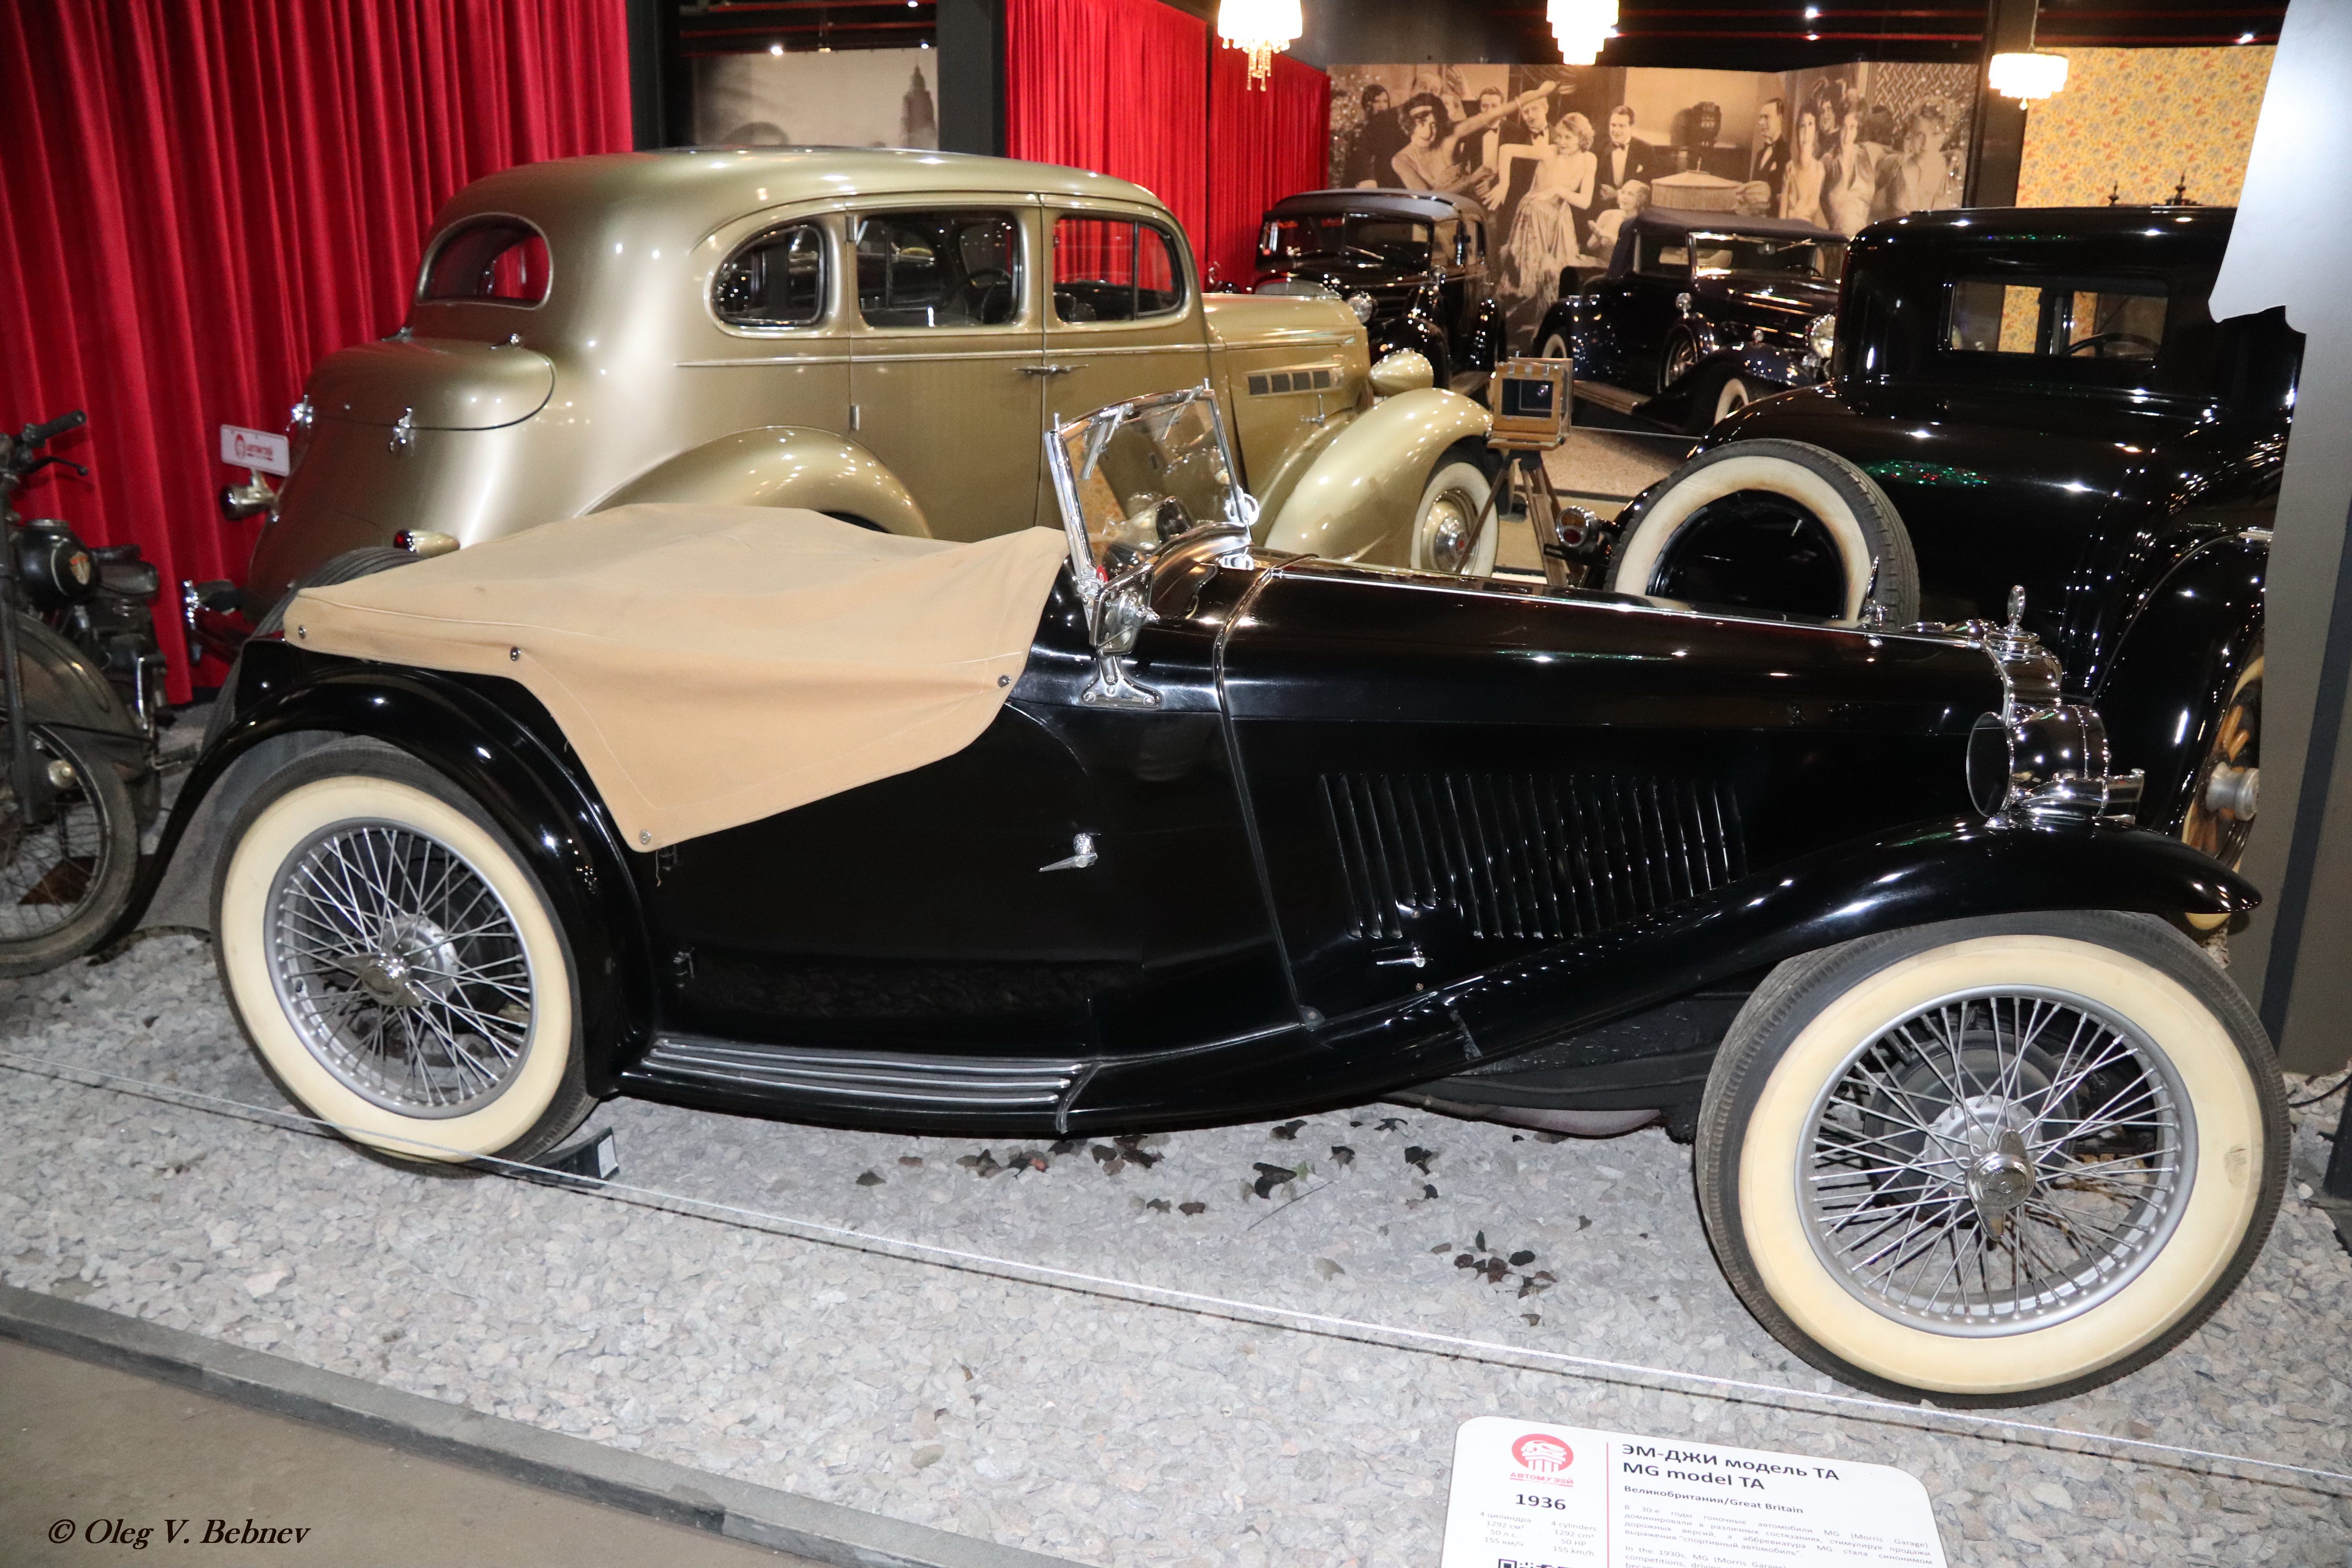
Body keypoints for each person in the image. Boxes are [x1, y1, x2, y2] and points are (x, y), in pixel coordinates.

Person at [1390, 82, 1559, 211]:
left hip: (1467, 209)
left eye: (1434, 125)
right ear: (1409, 125)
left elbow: (1496, 114)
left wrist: (1539, 93)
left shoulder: (1451, 134)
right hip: (1434, 217)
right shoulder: (1402, 160)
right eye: (1421, 124)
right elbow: (1427, 199)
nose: (1429, 132)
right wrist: (1471, 179)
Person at [1496, 112, 1597, 309]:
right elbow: (1506, 150)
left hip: (1560, 218)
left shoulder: (1589, 159)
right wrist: (1504, 183)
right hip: (1533, 215)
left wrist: (1558, 190)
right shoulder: (1550, 152)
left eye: (1568, 137)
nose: (1562, 142)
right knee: (1528, 276)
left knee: (1557, 277)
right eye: (1560, 136)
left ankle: (1549, 316)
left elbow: (1585, 202)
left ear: (1582, 138)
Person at [1873, 103, 1958, 221]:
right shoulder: (1894, 166)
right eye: (1920, 135)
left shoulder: (1955, 169)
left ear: (1945, 135)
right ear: (1911, 133)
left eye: (1935, 134)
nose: (1926, 143)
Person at [1822, 102, 1889, 235]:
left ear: (1858, 130)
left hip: (1864, 237)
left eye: (1852, 128)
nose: (1847, 134)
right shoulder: (1828, 161)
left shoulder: (1868, 152)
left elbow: (1898, 159)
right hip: (1836, 238)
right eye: (1844, 128)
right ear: (1838, 128)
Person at [1595, 106, 1659, 213]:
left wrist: (1618, 194)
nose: (1616, 130)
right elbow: (1594, 180)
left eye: (1622, 126)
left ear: (1631, 128)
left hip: (1634, 210)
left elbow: (1651, 184)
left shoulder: (1645, 149)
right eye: (1613, 125)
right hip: (1605, 207)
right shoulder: (1600, 148)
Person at [1346, 83, 1408, 189]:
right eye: (1377, 102)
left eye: (1385, 102)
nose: (1382, 106)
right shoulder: (1361, 130)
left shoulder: (1393, 129)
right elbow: (1360, 160)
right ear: (1368, 104)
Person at [1780, 104, 1826, 227]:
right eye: (1802, 126)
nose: (1806, 131)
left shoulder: (1819, 170)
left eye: (1810, 124)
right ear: (1798, 131)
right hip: (1789, 229)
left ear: (1816, 131)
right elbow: (1782, 214)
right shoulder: (1790, 168)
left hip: (1808, 230)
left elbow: (1815, 210)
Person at [1589, 178, 1648, 260]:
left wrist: (1608, 236)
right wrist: (1598, 237)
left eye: (1631, 194)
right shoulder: (1607, 215)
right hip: (1601, 264)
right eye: (1623, 193)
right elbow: (1590, 247)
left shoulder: (1642, 224)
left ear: (1640, 200)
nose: (1624, 197)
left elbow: (1636, 254)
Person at [1750, 97, 1788, 211]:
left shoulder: (1786, 153)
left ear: (1780, 119)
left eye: (1766, 117)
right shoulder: (1760, 154)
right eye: (1761, 118)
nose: (1761, 122)